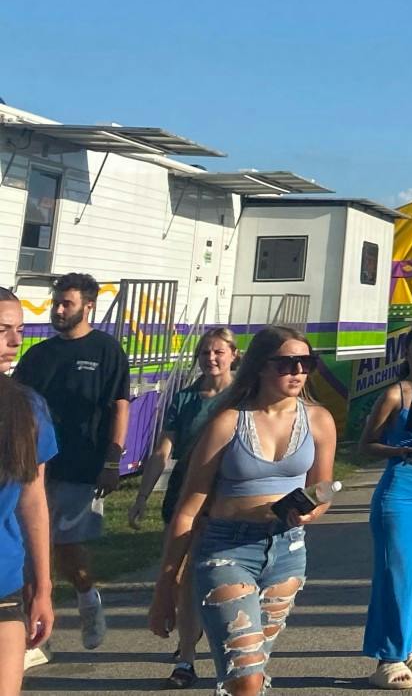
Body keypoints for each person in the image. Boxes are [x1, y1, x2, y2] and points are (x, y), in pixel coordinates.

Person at [148, 325, 337, 696]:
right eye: (287, 363)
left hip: (287, 552)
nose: (298, 371)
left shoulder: (319, 420)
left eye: (306, 362)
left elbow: (324, 489)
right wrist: (165, 587)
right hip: (227, 551)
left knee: (250, 670)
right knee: (246, 677)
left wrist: (311, 511)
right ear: (260, 367)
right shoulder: (228, 422)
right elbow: (188, 511)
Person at [14, 273, 130, 654]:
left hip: (83, 463)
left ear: (88, 306)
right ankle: (33, 638)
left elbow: (119, 406)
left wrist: (113, 460)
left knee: (66, 547)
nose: (59, 310)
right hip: (34, 464)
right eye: (57, 303)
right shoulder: (38, 356)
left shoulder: (106, 350)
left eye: (67, 304)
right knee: (31, 549)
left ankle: (87, 600)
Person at [130, 325, 238, 688]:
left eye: (218, 352)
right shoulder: (184, 399)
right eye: (205, 352)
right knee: (181, 578)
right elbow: (163, 450)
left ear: (233, 355)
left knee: (218, 578)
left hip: (228, 497)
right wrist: (142, 496)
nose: (211, 358)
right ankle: (187, 657)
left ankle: (226, 651)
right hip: (185, 495)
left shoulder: (245, 397)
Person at [360, 325, 412, 691]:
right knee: (397, 575)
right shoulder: (396, 394)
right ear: (406, 353)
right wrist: (401, 451)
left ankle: (405, 647)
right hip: (399, 495)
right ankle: (387, 656)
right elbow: (366, 444)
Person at [0, 289, 55, 695]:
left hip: (4, 585)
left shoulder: (27, 407)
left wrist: (44, 586)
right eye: (2, 330)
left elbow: (33, 502)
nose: (15, 342)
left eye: (19, 330)